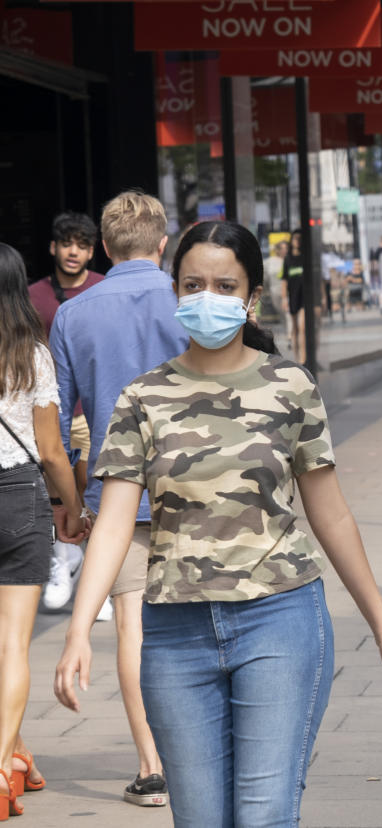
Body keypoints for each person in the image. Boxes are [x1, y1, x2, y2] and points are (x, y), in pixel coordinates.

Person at [53, 219, 382, 825]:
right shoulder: (143, 397)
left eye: (226, 286)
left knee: (263, 814)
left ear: (252, 299)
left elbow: (332, 514)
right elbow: (115, 524)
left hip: (280, 620)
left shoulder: (290, 385)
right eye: (193, 284)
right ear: (174, 291)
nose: (207, 298)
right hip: (173, 634)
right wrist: (77, 631)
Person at [49, 191, 186, 808]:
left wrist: (66, 504)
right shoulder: (189, 301)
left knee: (132, 626)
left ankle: (152, 766)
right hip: (199, 489)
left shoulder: (73, 315)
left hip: (117, 495)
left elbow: (53, 422)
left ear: (103, 247)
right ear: (164, 243)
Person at [0, 242, 88, 819]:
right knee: (13, 644)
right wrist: (72, 506)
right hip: (18, 499)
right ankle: (3, 761)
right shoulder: (31, 353)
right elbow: (54, 451)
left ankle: (18, 752)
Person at [27, 212, 105, 613]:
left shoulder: (103, 290)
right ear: (53, 247)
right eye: (67, 243)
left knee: (94, 487)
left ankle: (98, 572)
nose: (74, 251)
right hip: (46, 410)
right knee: (54, 492)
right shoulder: (33, 295)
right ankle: (63, 560)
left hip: (90, 408)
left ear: (93, 251)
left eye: (82, 244)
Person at [281, 230, 307, 362]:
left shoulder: (305, 257)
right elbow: (284, 280)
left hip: (304, 297)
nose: (297, 241)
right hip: (293, 296)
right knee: (295, 329)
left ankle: (303, 359)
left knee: (302, 328)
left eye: (299, 238)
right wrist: (284, 298)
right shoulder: (288, 259)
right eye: (295, 238)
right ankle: (297, 359)